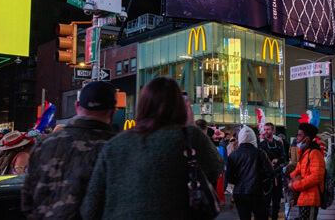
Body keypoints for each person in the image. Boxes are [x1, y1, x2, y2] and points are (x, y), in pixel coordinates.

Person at [80, 77, 224, 220]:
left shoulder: (114, 145)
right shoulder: (189, 136)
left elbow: (90, 209)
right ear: (180, 106)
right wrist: (191, 124)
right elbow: (216, 168)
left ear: (143, 105)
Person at [21, 80, 118, 219]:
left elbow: (26, 200)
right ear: (113, 111)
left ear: (77, 106)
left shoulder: (45, 144)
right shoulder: (117, 147)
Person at [228, 126, 276, 220]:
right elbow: (270, 172)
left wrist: (238, 182)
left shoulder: (233, 155)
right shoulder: (260, 153)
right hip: (257, 192)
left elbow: (229, 177)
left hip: (240, 192)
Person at [289, 123, 325, 220]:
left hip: (311, 199)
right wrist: (291, 177)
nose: (297, 138)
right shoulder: (305, 153)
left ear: (307, 138)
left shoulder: (314, 153)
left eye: (300, 135)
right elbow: (297, 170)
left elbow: (316, 177)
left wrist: (295, 185)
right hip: (303, 198)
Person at [259, 122, 288, 220]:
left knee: (276, 201)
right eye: (265, 129)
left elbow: (284, 157)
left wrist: (278, 161)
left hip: (278, 175)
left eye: (268, 129)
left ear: (273, 131)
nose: (266, 131)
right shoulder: (261, 144)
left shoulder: (279, 144)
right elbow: (258, 160)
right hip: (266, 177)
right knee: (265, 202)